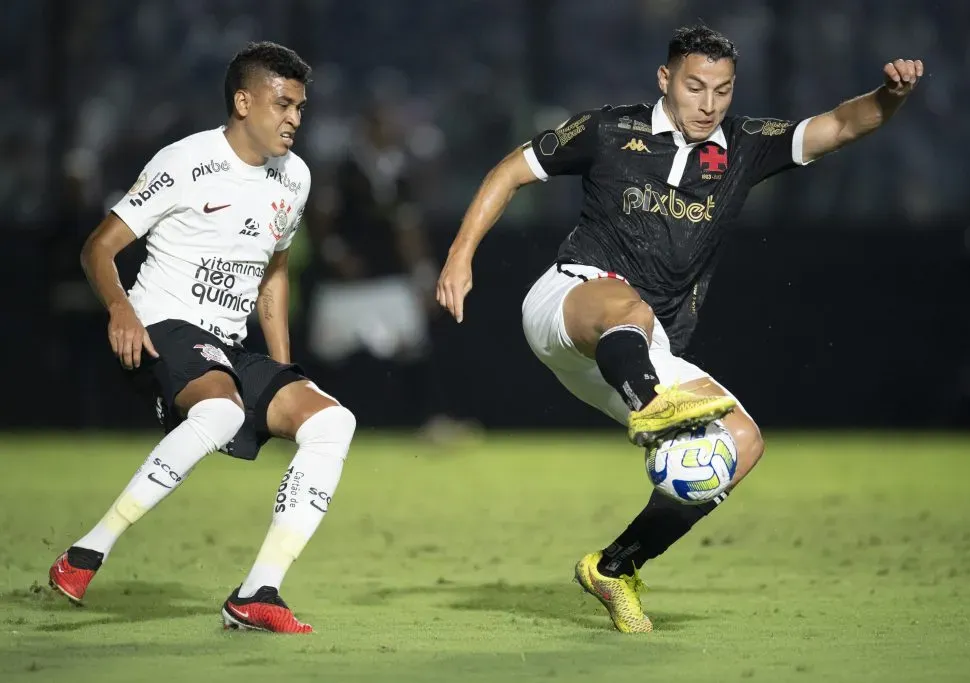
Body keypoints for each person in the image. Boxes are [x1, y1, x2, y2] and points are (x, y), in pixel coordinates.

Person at [436, 24, 924, 632]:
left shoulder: (744, 146)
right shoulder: (610, 131)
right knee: (627, 308)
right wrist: (460, 255)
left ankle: (616, 566)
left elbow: (841, 126)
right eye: (695, 87)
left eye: (723, 90)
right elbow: (510, 170)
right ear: (665, 80)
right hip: (570, 300)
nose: (709, 103)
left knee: (743, 445)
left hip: (641, 349)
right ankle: (652, 408)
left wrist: (891, 97)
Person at [48, 41, 356, 634]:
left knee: (332, 422)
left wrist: (283, 368)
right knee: (217, 413)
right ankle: (87, 552)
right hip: (160, 327)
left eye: (301, 108)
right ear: (244, 101)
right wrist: (120, 311)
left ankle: (258, 592)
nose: (294, 118)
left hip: (228, 346)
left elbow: (276, 270)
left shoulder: (295, 179)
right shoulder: (185, 162)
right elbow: (99, 247)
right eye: (283, 103)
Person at [303, 103, 475, 442]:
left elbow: (408, 230)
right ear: (368, 130)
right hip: (346, 287)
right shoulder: (344, 170)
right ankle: (303, 421)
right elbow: (320, 217)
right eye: (386, 126)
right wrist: (335, 253)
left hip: (389, 281)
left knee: (415, 352)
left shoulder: (398, 175)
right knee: (325, 360)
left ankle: (433, 422)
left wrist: (424, 277)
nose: (394, 133)